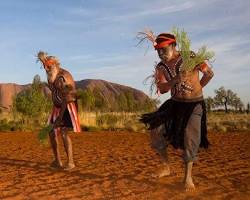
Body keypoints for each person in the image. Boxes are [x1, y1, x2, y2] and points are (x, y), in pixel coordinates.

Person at [139, 32, 214, 191]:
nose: (160, 54)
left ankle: (187, 177)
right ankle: (166, 166)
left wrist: (197, 86)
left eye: (163, 50)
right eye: (158, 51)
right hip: (174, 104)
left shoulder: (190, 56)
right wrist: (175, 81)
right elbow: (162, 89)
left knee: (190, 138)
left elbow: (209, 73)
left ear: (173, 46)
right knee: (156, 129)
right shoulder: (161, 67)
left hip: (194, 105)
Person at [37, 51, 81, 170]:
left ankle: (70, 163)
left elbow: (67, 99)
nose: (46, 69)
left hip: (67, 107)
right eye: (45, 66)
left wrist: (60, 118)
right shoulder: (52, 73)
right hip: (57, 107)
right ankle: (57, 162)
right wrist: (42, 58)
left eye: (49, 67)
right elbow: (48, 65)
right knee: (51, 132)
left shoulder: (63, 78)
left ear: (56, 65)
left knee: (63, 132)